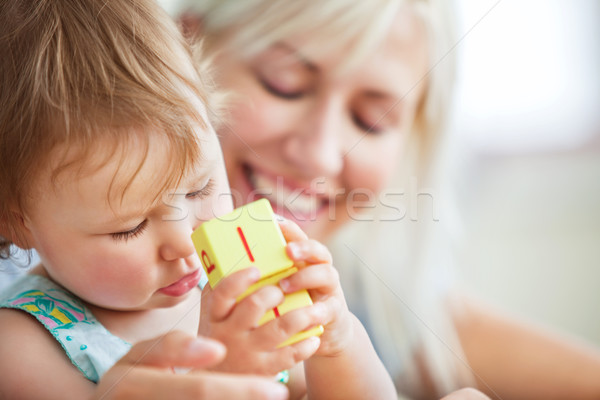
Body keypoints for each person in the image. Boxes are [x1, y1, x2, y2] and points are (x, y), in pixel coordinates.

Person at [171, 0, 600, 398]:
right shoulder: (116, 309)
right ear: (182, 47)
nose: (319, 154)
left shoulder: (360, 301)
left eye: (370, 122)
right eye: (285, 85)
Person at [0, 1, 396, 399]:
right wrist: (227, 371)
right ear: (15, 222)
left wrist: (337, 342)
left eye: (199, 189)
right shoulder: (20, 349)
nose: (188, 242)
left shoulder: (239, 280)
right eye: (129, 227)